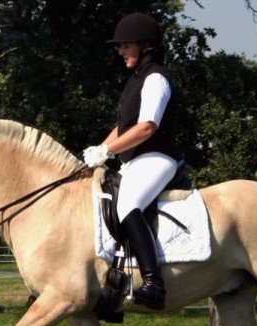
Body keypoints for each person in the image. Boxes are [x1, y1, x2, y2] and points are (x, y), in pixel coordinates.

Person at [83, 12, 178, 310]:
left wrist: (109, 152)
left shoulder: (155, 79)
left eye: (126, 45)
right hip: (135, 160)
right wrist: (101, 147)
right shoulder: (134, 81)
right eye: (120, 46)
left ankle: (153, 283)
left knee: (127, 204)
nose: (121, 51)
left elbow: (147, 126)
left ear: (145, 46)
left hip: (157, 157)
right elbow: (124, 127)